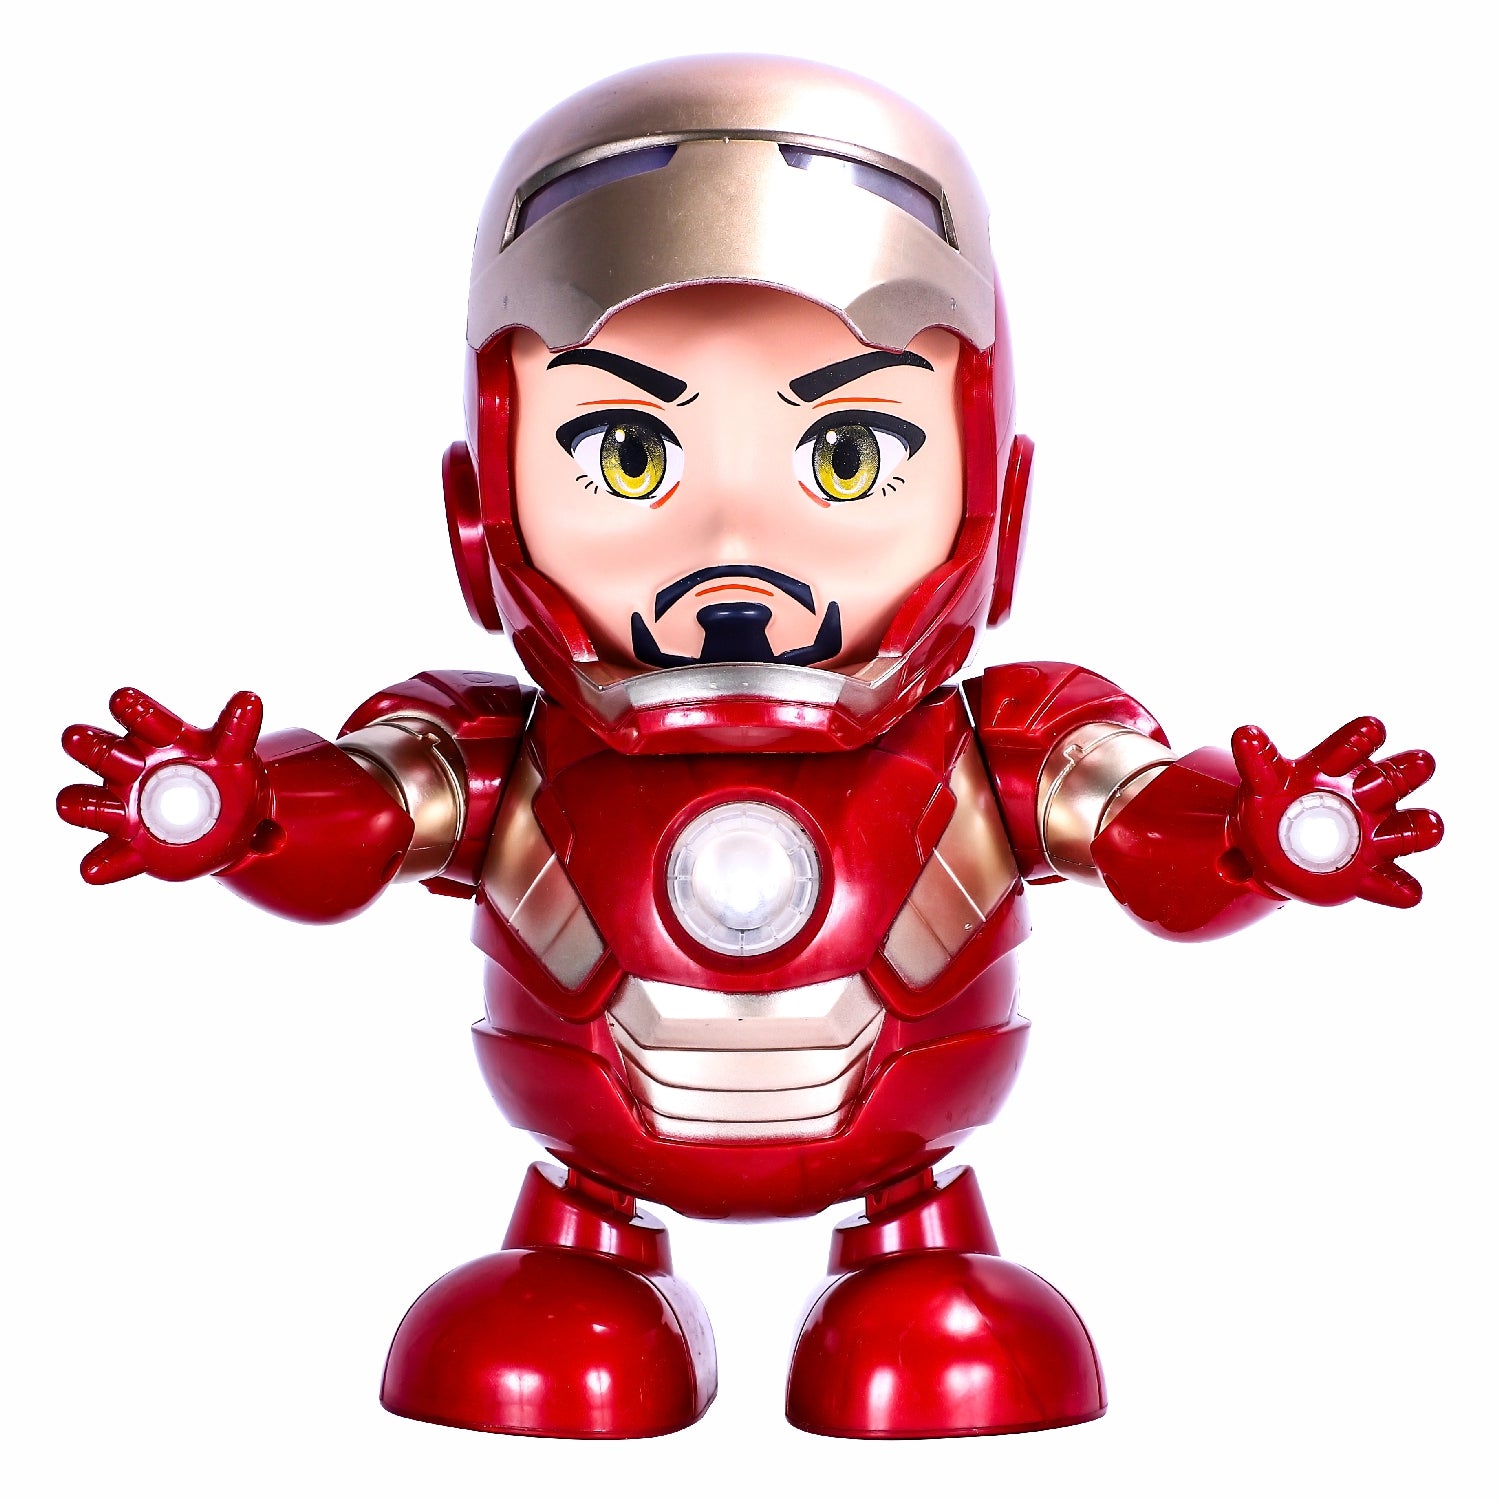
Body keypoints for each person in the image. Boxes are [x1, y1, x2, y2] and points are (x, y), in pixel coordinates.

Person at [57, 55, 1441, 1439]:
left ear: (992, 499)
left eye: (846, 455)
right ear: (482, 513)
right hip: (591, 1159)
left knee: (940, 1352)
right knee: (541, 1351)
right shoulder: (499, 744)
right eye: (626, 454)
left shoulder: (1000, 740)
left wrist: (1248, 836)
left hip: (907, 1154)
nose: (733, 544)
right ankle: (583, 1268)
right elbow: (366, 808)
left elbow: (1140, 827)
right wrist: (247, 811)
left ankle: (916, 1268)